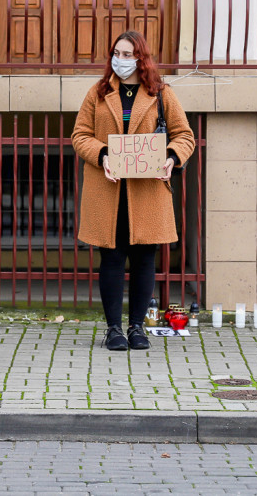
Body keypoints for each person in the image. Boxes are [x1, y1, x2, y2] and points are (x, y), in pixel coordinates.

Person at [72, 30, 196, 351]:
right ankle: (114, 329)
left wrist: (171, 157)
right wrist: (102, 155)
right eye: (117, 53)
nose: (121, 60)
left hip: (147, 192)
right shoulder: (98, 92)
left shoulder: (160, 93)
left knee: (144, 260)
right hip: (108, 190)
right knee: (112, 259)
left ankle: (137, 327)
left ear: (141, 58)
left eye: (128, 55)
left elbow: (184, 135)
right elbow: (80, 135)